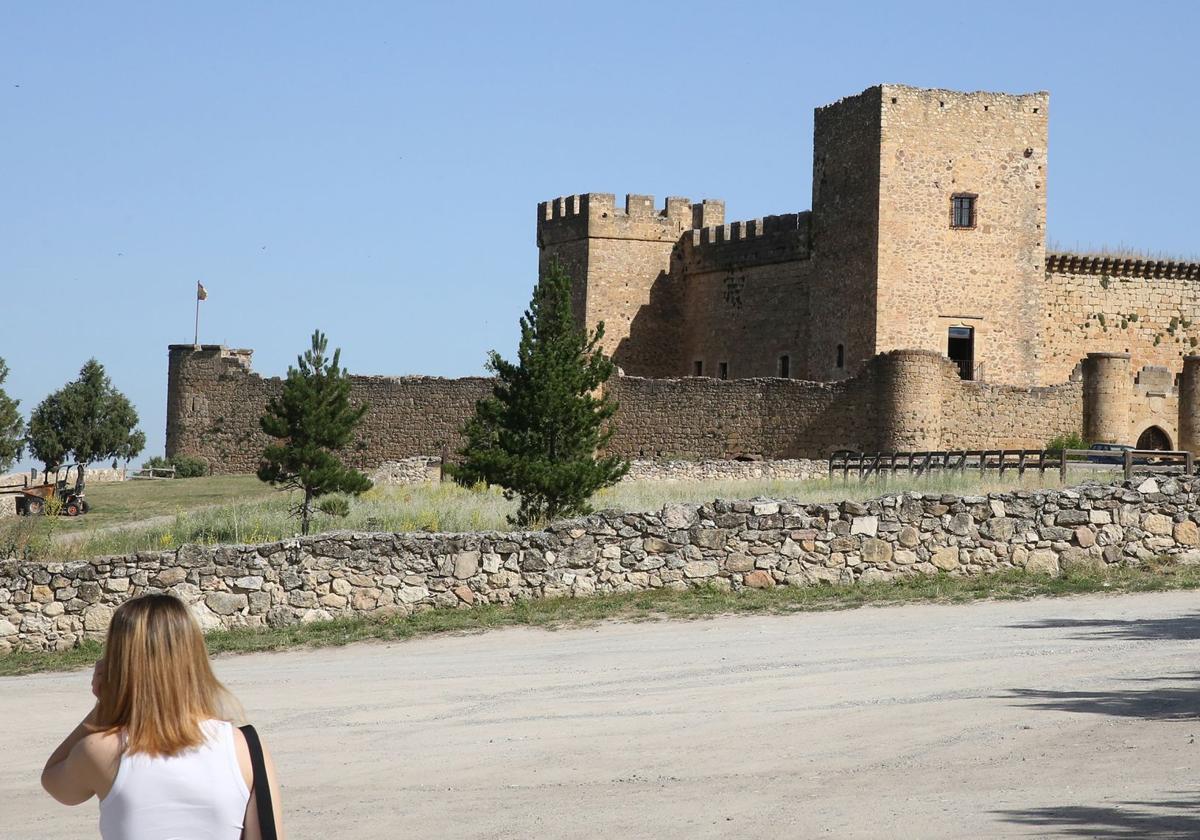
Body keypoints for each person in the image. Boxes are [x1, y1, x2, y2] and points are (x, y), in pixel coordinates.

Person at [41, 593, 285, 839]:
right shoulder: (244, 748)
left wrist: (106, 701)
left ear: (119, 664)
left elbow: (55, 782)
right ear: (194, 656)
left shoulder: (101, 751)